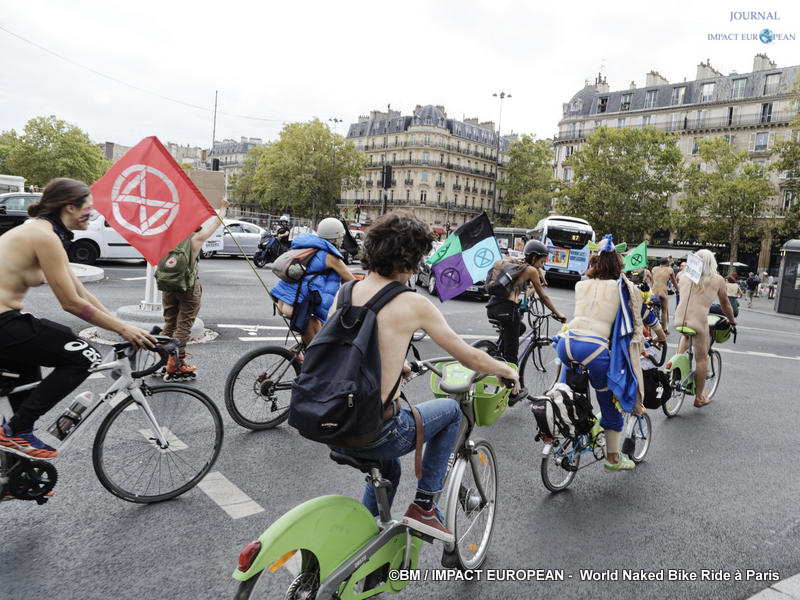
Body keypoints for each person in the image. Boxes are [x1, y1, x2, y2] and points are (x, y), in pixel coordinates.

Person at [332, 212, 519, 541]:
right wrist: (506, 369)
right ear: (412, 256)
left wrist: (396, 364)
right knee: (450, 411)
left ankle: (359, 539)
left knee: (389, 470)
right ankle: (425, 506)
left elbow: (346, 350)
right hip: (377, 430)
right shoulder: (411, 302)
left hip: (334, 422)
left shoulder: (347, 291)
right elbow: (469, 356)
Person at [0, 178, 157, 459]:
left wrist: (122, 328)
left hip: (8, 320)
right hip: (4, 322)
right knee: (84, 356)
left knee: (28, 389)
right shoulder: (45, 237)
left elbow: (82, 293)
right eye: (88, 207)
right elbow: (71, 303)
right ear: (70, 207)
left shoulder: (45, 232)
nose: (91, 213)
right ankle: (15, 432)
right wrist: (123, 330)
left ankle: (14, 466)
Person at [555, 235, 645, 472]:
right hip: (594, 348)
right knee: (608, 403)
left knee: (566, 394)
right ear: (617, 265)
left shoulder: (580, 285)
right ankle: (613, 459)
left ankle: (565, 431)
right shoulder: (621, 288)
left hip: (567, 343)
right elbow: (637, 316)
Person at [158, 198, 229, 381]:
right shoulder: (196, 238)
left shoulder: (168, 236)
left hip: (168, 285)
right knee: (184, 325)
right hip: (188, 287)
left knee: (169, 323)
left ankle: (163, 360)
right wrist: (223, 208)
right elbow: (216, 224)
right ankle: (177, 364)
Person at [485, 240, 567, 373]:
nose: (541, 266)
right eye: (541, 262)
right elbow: (544, 298)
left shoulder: (516, 265)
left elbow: (531, 279)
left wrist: (539, 275)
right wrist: (558, 314)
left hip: (492, 307)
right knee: (512, 356)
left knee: (520, 328)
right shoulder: (530, 270)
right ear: (534, 257)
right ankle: (510, 383)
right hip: (508, 312)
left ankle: (497, 352)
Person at [271, 217, 355, 346]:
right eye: (342, 236)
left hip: (285, 301)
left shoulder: (309, 247)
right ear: (336, 237)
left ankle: (299, 353)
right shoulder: (330, 257)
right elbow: (351, 281)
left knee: (319, 336)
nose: (343, 239)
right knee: (318, 350)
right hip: (301, 307)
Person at [673, 249, 737, 407]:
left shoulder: (682, 275)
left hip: (679, 319)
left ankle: (677, 366)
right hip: (698, 322)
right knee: (702, 359)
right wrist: (732, 320)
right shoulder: (718, 280)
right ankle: (699, 398)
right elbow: (725, 304)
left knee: (685, 336)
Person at [651, 258, 678, 335]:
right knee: (664, 311)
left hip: (653, 292)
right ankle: (664, 329)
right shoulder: (670, 270)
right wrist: (677, 290)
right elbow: (674, 282)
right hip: (663, 292)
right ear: (667, 263)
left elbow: (653, 281)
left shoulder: (654, 269)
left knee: (650, 309)